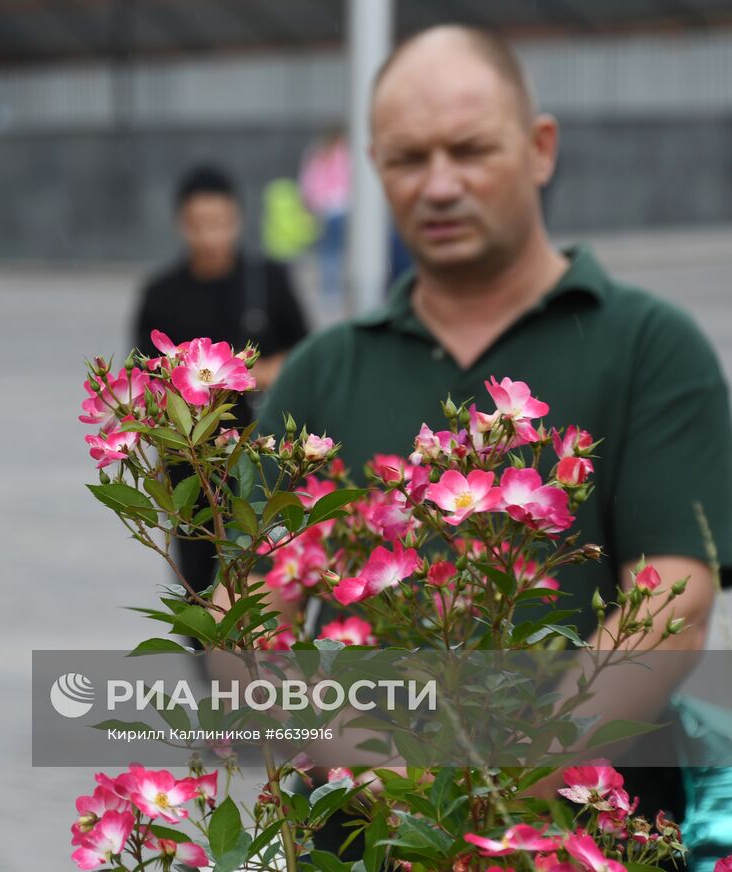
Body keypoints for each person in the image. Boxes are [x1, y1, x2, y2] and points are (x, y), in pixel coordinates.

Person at [250, 24, 732, 850]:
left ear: (541, 148)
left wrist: (493, 800)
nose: (439, 185)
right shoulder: (324, 373)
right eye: (408, 158)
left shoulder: (651, 347)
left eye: (470, 150)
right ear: (374, 168)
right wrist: (375, 775)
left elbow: (673, 607)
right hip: (364, 845)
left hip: (591, 840)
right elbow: (246, 620)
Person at [133, 164, 309, 594]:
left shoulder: (267, 279)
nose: (211, 236)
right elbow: (143, 377)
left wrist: (254, 374)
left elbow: (308, 356)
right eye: (199, 225)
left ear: (238, 220)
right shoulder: (161, 292)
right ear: (181, 224)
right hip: (190, 464)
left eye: (220, 223)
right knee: (200, 581)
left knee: (264, 577)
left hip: (262, 452)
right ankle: (206, 657)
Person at [298, 129, 350, 300]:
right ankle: (332, 288)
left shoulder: (319, 155)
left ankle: (330, 288)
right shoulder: (342, 155)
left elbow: (308, 182)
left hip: (328, 208)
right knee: (333, 250)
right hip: (336, 207)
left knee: (329, 250)